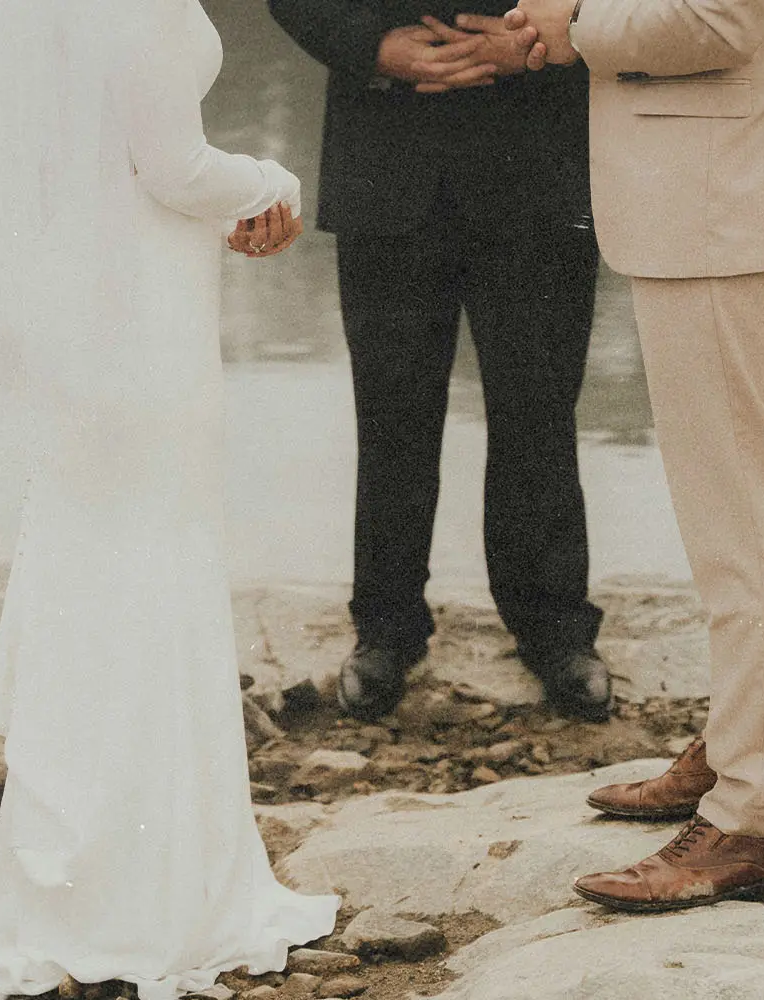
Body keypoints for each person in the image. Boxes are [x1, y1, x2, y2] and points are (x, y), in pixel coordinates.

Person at [0, 0, 339, 995]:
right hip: (138, 316)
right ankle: (156, 890)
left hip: (68, 300)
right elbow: (172, 169)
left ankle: (64, 877)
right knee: (153, 562)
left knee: (88, 566)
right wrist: (270, 182)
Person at [506, 0, 764, 909]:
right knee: (753, 490)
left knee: (740, 505)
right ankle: (752, 741)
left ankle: (755, 819)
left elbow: (718, 19)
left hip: (717, 185)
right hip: (724, 173)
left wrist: (576, 23)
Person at [267, 0, 613, 724]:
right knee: (390, 413)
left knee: (540, 412)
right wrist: (372, 47)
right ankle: (387, 628)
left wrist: (558, 40)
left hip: (540, 156)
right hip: (387, 151)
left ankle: (554, 629)